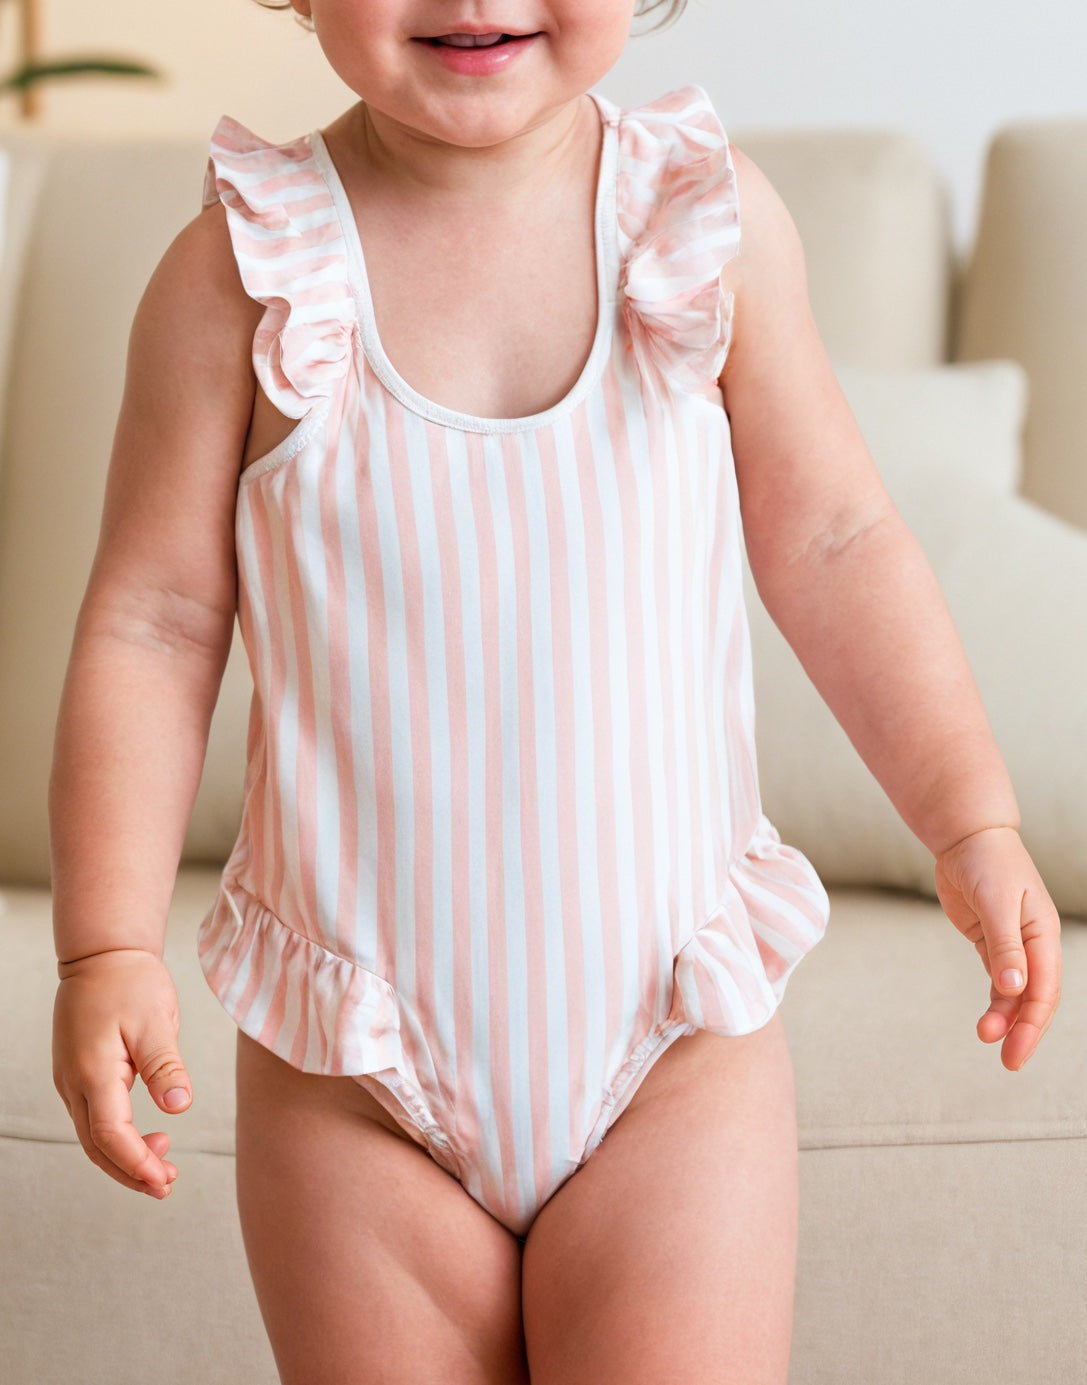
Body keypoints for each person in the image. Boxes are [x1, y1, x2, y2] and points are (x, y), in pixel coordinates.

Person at [49, 1, 1062, 1380]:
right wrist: (106, 944)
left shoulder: (702, 225)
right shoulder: (241, 270)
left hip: (668, 1050)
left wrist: (970, 812)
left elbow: (838, 542)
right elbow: (153, 626)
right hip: (355, 1071)